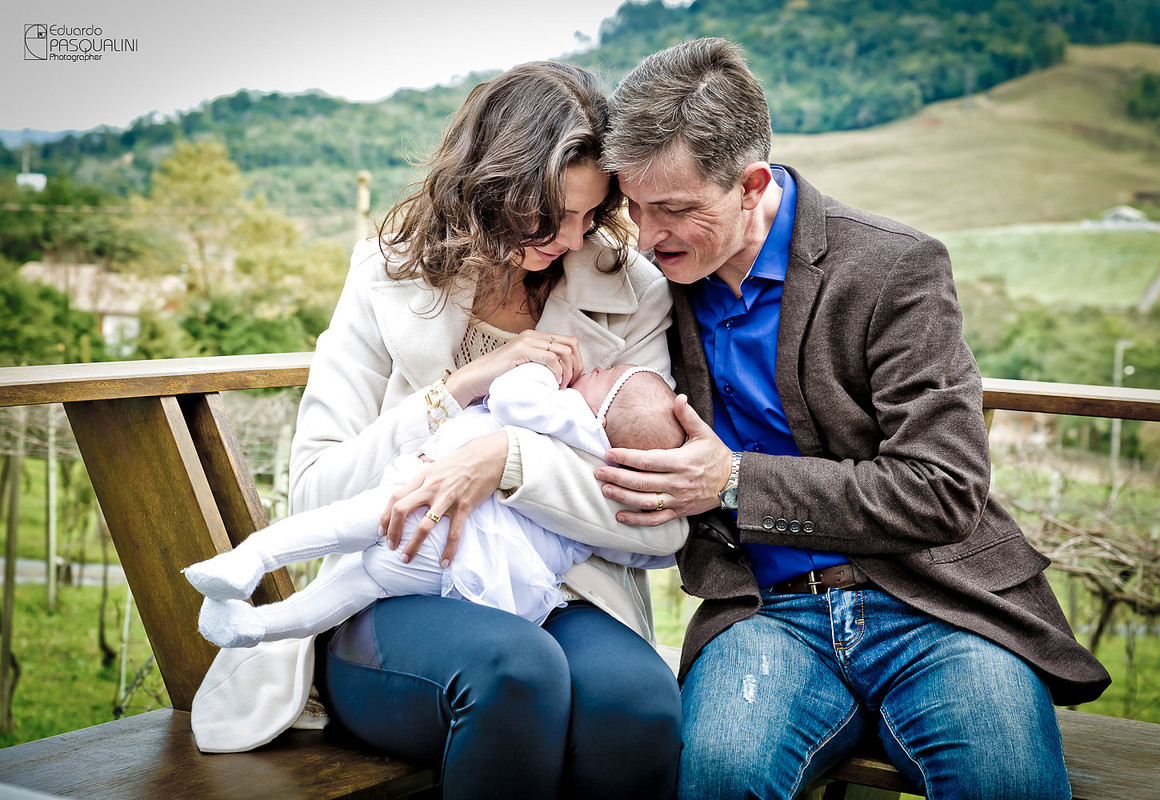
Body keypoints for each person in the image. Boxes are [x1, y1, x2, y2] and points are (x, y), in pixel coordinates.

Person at [591, 38, 1111, 799]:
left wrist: (733, 481)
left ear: (751, 185)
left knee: (1006, 782)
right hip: (765, 615)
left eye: (673, 209)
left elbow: (942, 489)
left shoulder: (894, 267)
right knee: (720, 775)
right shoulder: (645, 285)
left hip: (935, 605)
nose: (646, 235)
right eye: (631, 206)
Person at [189, 61, 686, 800]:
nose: (571, 238)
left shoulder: (632, 292)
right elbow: (317, 491)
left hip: (558, 587)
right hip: (391, 590)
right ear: (493, 184)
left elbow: (658, 517)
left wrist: (507, 459)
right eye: (550, 215)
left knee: (639, 709)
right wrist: (459, 390)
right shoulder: (386, 274)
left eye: (590, 215)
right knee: (515, 674)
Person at [185, 361, 683, 645]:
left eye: (606, 373)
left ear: (601, 410)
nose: (596, 366)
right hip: (464, 573)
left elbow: (511, 395)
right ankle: (258, 626)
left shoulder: (571, 412)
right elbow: (639, 548)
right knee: (353, 589)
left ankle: (249, 561)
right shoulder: (604, 477)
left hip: (418, 503)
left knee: (338, 528)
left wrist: (536, 368)